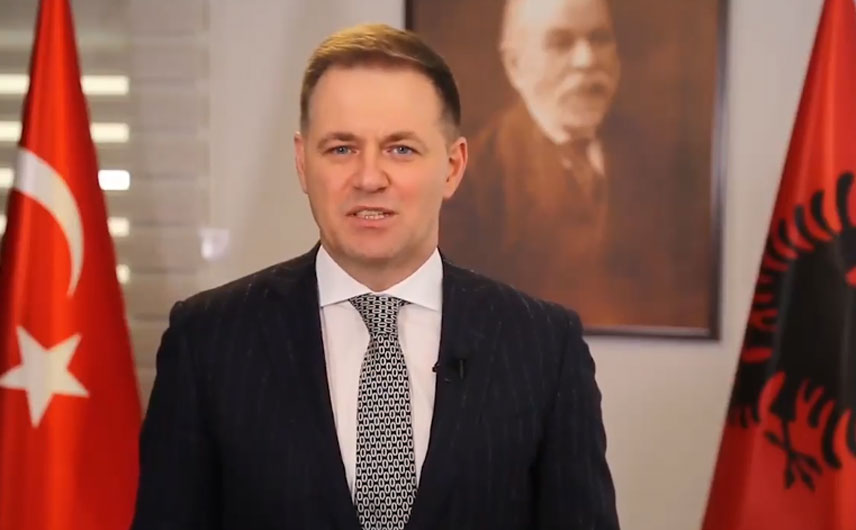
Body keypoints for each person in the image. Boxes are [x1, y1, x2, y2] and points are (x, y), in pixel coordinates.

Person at [131, 23, 618, 530]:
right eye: (341, 148)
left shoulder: (544, 348)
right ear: (302, 162)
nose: (368, 178)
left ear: (453, 167)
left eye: (400, 149)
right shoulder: (208, 341)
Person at [440, 0, 702, 330]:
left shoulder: (660, 164)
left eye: (599, 39)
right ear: (516, 65)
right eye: (560, 43)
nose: (587, 60)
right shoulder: (468, 181)